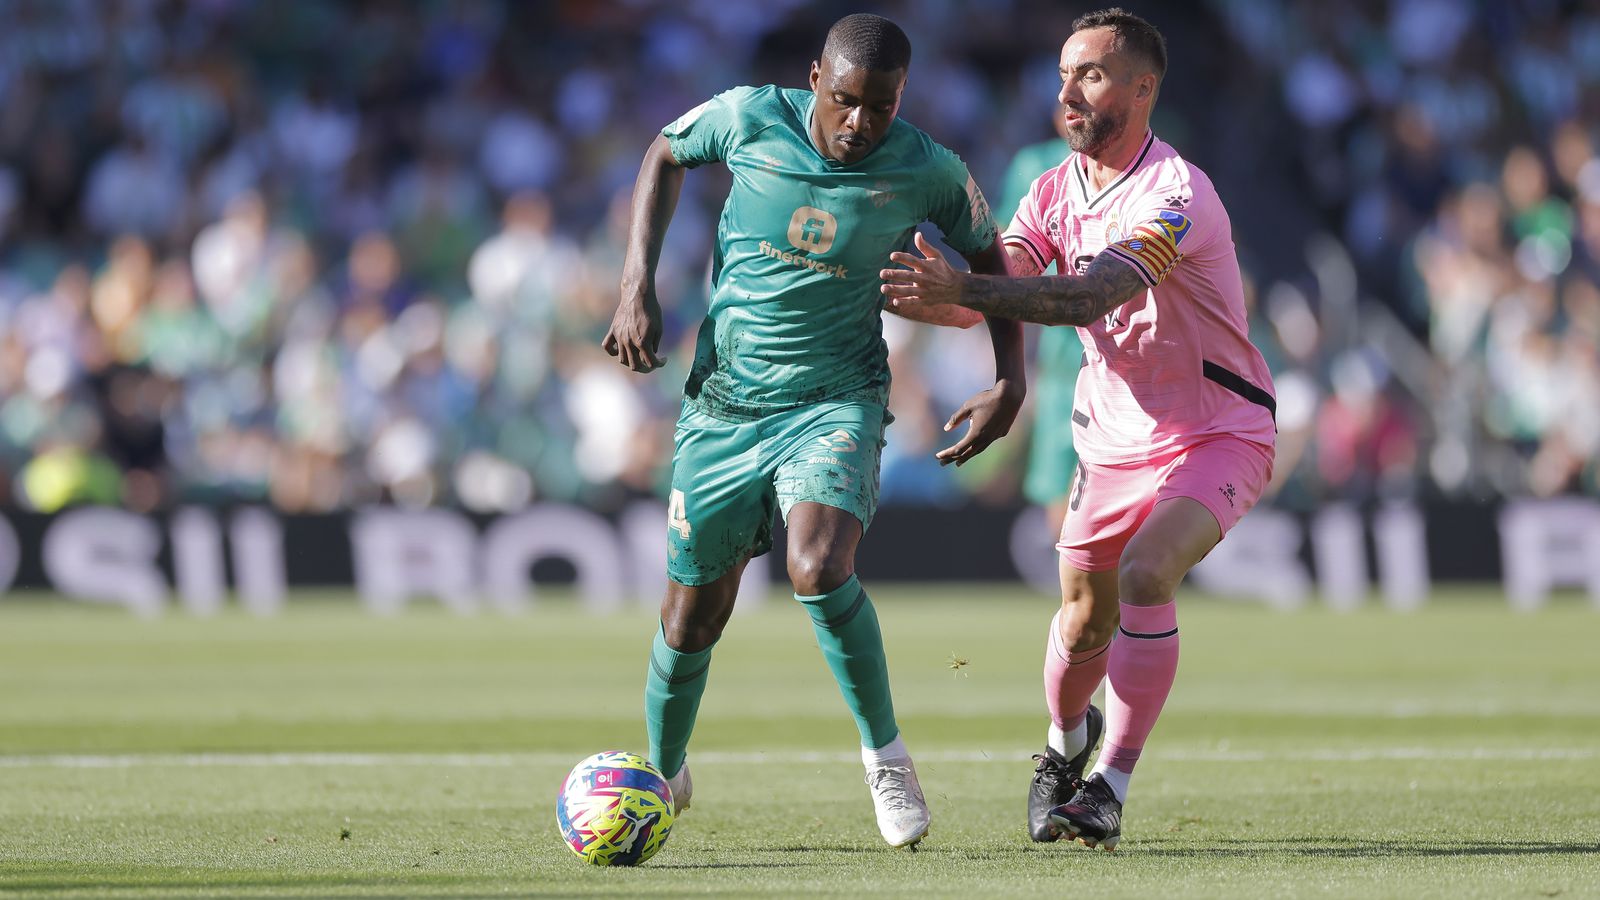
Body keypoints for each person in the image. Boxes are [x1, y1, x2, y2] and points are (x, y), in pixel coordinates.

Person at [603, 13, 1026, 849]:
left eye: (880, 105)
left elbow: (992, 259)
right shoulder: (748, 116)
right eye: (844, 101)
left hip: (838, 397)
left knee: (817, 565)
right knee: (693, 616)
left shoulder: (930, 169)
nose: (861, 123)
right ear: (813, 80)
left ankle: (886, 757)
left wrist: (1009, 380)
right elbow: (663, 152)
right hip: (724, 404)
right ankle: (661, 772)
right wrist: (634, 284)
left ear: (901, 98)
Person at [879, 8, 1276, 851]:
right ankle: (1064, 750)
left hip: (1217, 429)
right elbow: (1012, 275)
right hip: (1108, 436)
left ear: (1142, 87)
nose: (1066, 92)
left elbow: (1088, 295)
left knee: (1146, 573)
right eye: (1063, 75)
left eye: (1089, 74)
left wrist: (969, 293)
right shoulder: (1055, 188)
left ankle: (1111, 786)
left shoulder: (1177, 194)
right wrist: (928, 294)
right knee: (1081, 620)